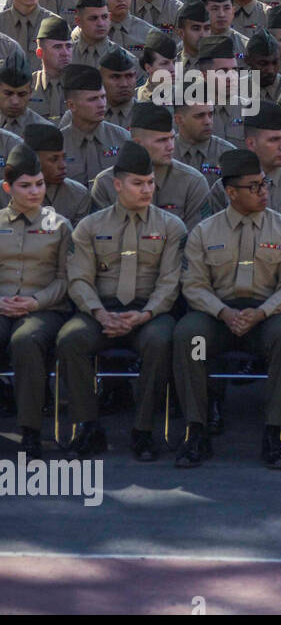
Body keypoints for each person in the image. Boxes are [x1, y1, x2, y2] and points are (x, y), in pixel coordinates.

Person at [174, 147, 281, 469]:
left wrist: (262, 312)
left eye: (265, 184)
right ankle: (196, 428)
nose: (263, 192)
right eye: (254, 187)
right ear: (231, 192)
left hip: (266, 315)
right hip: (218, 316)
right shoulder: (205, 232)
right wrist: (223, 312)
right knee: (189, 337)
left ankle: (274, 431)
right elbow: (194, 285)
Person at [59, 141, 185, 462]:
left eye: (150, 183)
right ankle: (87, 426)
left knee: (160, 340)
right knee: (70, 338)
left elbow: (170, 282)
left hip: (149, 312)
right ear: (117, 185)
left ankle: (142, 429)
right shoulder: (90, 227)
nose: (146, 190)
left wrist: (145, 314)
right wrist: (100, 313)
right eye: (137, 183)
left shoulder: (171, 227)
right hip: (102, 309)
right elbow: (79, 279)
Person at [0, 143, 72, 459]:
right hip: (2, 305)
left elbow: (67, 279)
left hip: (44, 309)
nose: (34, 192)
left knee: (25, 341)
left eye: (39, 184)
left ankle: (29, 431)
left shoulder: (59, 225)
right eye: (25, 186)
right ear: (7, 188)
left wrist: (35, 302)